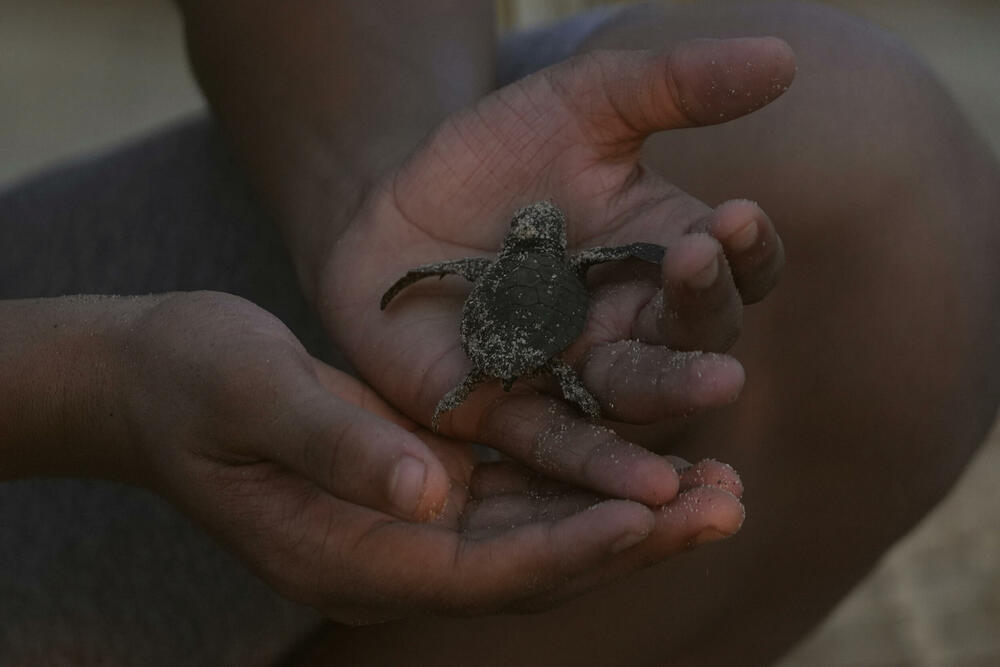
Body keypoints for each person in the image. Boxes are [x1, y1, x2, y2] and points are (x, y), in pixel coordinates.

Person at [1, 1, 997, 665]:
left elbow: (454, 274)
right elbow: (487, 283)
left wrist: (383, 191)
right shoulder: (550, 277)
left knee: (865, 180)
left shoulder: (505, 269)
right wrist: (93, 388)